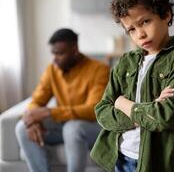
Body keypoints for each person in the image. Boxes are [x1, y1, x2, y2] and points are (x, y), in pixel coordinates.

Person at [90, 0, 174, 172]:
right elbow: (102, 111)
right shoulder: (126, 61)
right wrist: (147, 110)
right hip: (121, 157)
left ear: (166, 14)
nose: (140, 34)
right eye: (131, 29)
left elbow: (165, 117)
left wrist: (123, 104)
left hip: (158, 162)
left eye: (145, 21)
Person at [15, 28, 110, 172]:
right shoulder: (52, 70)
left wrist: (50, 112)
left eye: (60, 53)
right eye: (53, 53)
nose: (54, 58)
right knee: (22, 127)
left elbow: (93, 109)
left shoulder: (99, 69)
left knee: (72, 127)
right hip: (64, 126)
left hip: (93, 128)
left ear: (75, 49)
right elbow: (36, 100)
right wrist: (32, 120)